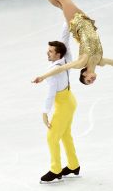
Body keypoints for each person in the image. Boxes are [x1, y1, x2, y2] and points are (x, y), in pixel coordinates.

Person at [31, 0, 113, 85]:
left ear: (84, 74)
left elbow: (61, 68)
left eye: (88, 80)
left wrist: (43, 77)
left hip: (77, 23)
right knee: (60, 4)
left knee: (63, 0)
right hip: (86, 22)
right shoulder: (99, 61)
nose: (92, 80)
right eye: (91, 82)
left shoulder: (81, 62)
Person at [36, 22, 80, 183]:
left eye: (50, 52)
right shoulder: (66, 58)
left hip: (63, 105)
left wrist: (45, 113)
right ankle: (74, 165)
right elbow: (65, 40)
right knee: (65, 135)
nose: (47, 53)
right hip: (70, 100)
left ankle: (55, 170)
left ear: (58, 54)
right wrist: (67, 21)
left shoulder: (52, 73)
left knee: (52, 137)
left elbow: (49, 95)